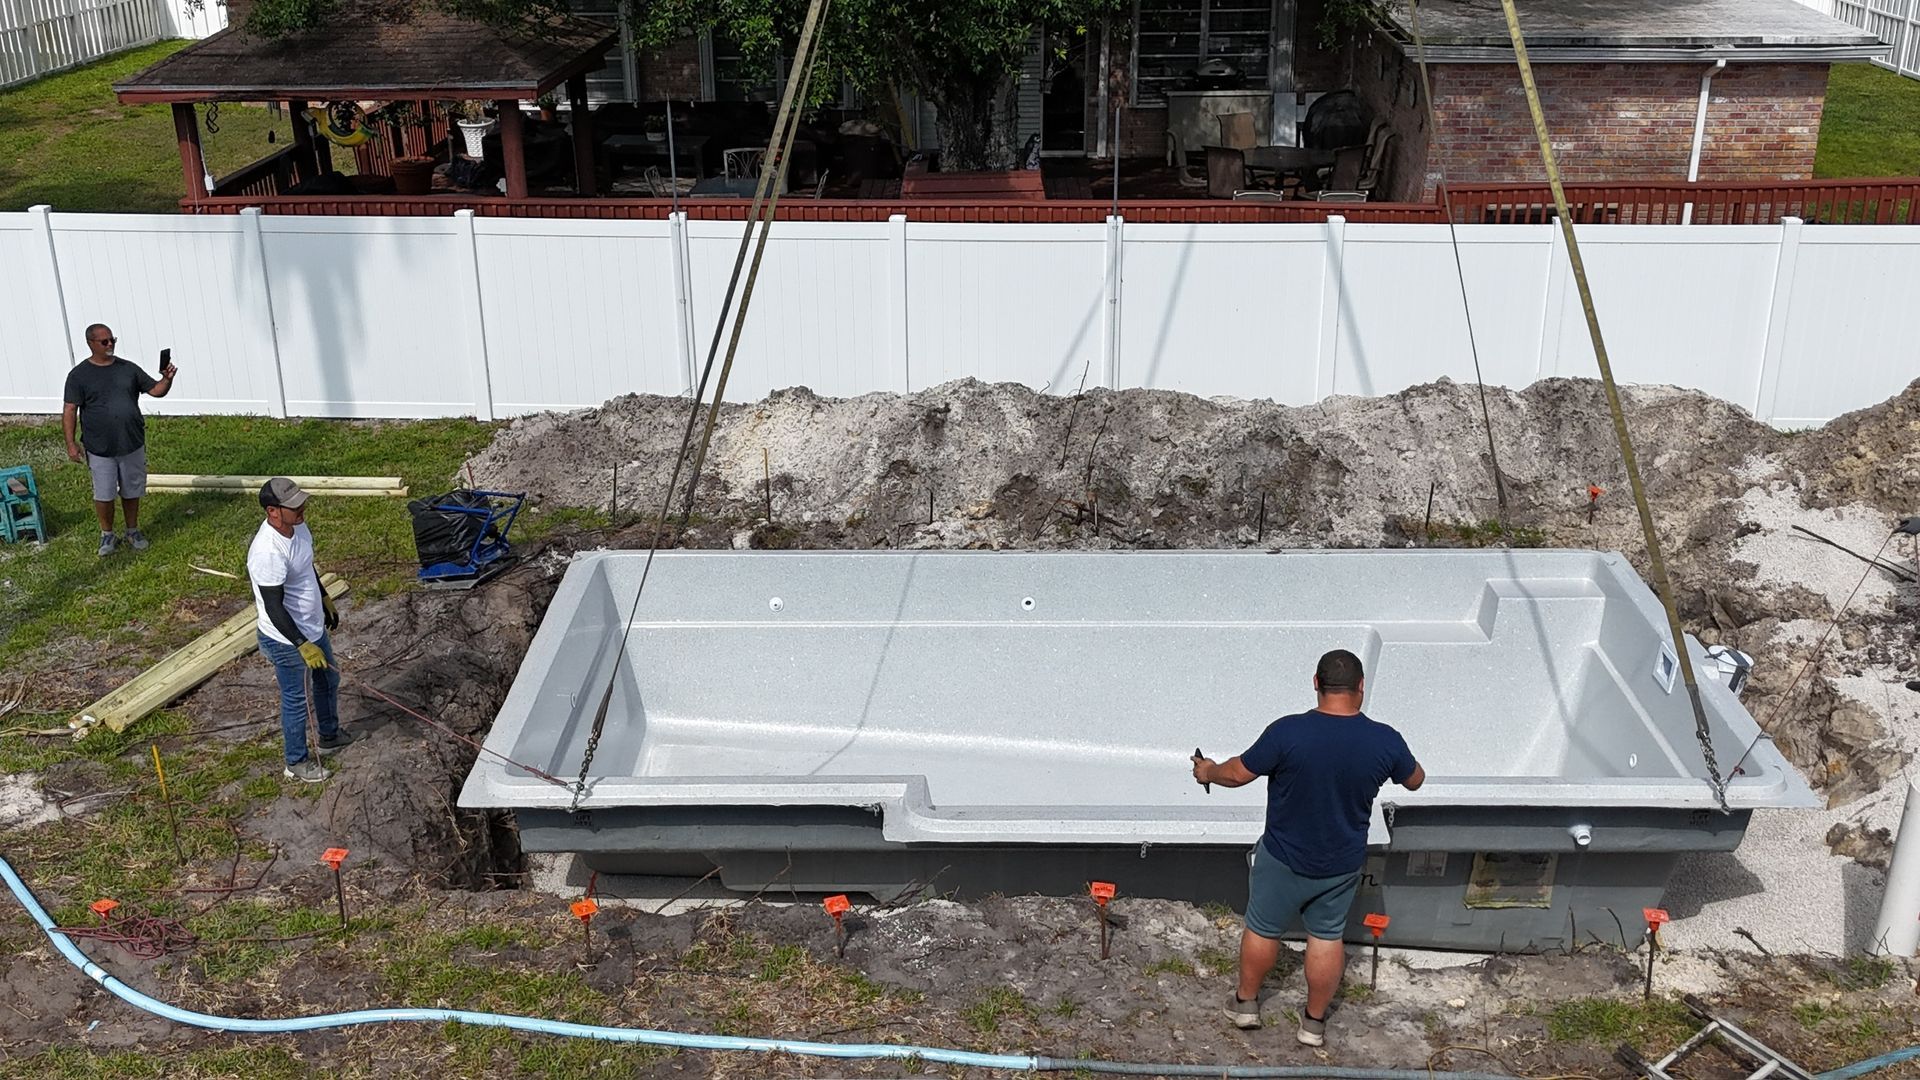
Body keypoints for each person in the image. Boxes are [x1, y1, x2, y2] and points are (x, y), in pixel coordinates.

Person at [1191, 648, 1424, 1048]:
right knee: (1326, 937)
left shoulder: (1287, 732)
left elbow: (1235, 774)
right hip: (1341, 863)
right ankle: (1313, 1023)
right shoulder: (1385, 741)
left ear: (1316, 684)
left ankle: (1246, 1003)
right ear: (1361, 688)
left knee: (1263, 928)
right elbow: (1416, 780)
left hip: (1283, 856)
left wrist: (1205, 770)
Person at [248, 478, 356, 782]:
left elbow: (306, 565)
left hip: (311, 627)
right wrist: (300, 644)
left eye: (301, 502)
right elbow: (273, 606)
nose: (302, 509)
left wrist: (323, 596)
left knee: (328, 679)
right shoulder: (267, 551)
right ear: (273, 511)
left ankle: (330, 735)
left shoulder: (298, 527)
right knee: (297, 700)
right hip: (286, 639)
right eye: (293, 506)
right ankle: (295, 761)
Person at [62, 324, 176, 557]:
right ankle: (107, 534)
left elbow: (155, 390)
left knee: (131, 489)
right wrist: (71, 444)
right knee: (104, 493)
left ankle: (132, 530)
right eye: (104, 342)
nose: (110, 344)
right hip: (99, 446)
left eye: (112, 339)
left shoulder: (128, 369)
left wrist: (167, 379)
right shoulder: (79, 375)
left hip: (131, 441)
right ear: (90, 344)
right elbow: (70, 409)